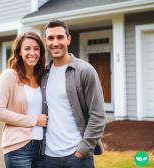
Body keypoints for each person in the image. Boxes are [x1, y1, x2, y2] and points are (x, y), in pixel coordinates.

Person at [40, 20, 106, 168]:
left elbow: (98, 116)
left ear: (68, 39)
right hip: (48, 157)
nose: (55, 42)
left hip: (77, 157)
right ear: (45, 41)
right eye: (50, 38)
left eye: (60, 37)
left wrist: (82, 151)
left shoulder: (85, 71)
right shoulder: (43, 74)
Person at [0, 31, 48, 168]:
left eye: (36, 49)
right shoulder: (10, 76)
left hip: (42, 147)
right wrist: (34, 119)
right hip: (18, 148)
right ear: (19, 52)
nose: (32, 52)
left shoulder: (42, 77)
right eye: (27, 48)